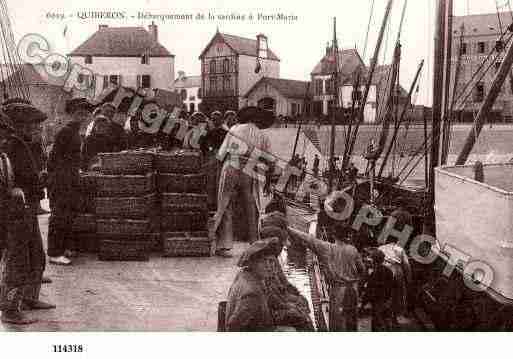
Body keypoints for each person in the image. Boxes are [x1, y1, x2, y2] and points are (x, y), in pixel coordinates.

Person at [0, 100, 55, 324]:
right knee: (18, 257)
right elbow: (11, 179)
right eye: (32, 125)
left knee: (36, 256)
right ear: (19, 126)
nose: (36, 129)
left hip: (27, 207)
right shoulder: (10, 146)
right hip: (14, 210)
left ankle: (29, 298)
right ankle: (10, 309)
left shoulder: (24, 144)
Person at [213, 106, 274, 257]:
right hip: (250, 169)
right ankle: (253, 242)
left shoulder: (233, 129)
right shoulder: (261, 135)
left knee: (225, 204)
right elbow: (270, 161)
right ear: (256, 120)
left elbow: (220, 155)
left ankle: (224, 245)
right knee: (251, 205)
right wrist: (268, 180)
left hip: (231, 165)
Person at [287, 224, 366, 331]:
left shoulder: (327, 248)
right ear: (347, 236)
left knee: (338, 323)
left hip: (338, 291)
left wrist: (288, 228)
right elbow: (362, 270)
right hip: (353, 289)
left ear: (334, 236)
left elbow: (307, 238)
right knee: (351, 321)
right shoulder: (353, 250)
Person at [47, 102, 84, 265]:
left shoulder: (74, 132)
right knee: (59, 215)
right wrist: (59, 177)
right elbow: (54, 158)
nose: (82, 117)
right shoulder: (66, 132)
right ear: (71, 114)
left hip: (70, 177)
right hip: (62, 179)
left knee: (68, 214)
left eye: (84, 114)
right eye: (78, 114)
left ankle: (64, 248)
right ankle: (55, 252)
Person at [378, 209, 413, 325]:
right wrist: (408, 280)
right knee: (397, 295)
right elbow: (407, 267)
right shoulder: (408, 215)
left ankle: (385, 316)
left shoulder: (393, 214)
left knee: (385, 294)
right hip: (398, 269)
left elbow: (387, 230)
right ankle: (395, 317)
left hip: (385, 270)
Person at [361, 249, 395, 331]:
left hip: (377, 303)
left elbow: (369, 289)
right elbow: (393, 286)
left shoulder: (374, 273)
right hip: (388, 301)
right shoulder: (389, 271)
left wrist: (363, 303)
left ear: (374, 261)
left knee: (377, 324)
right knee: (387, 322)